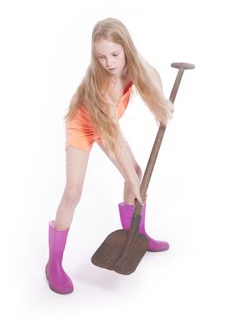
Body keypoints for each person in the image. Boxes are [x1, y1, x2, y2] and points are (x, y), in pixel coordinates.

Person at [45, 18, 173, 294]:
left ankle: (137, 235)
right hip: (84, 126)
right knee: (73, 192)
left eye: (114, 54)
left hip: (108, 125)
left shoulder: (135, 67)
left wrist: (163, 105)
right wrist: (134, 184)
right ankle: (53, 263)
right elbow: (112, 139)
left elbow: (153, 77)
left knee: (135, 175)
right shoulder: (103, 86)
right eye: (101, 57)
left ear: (126, 48)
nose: (109, 62)